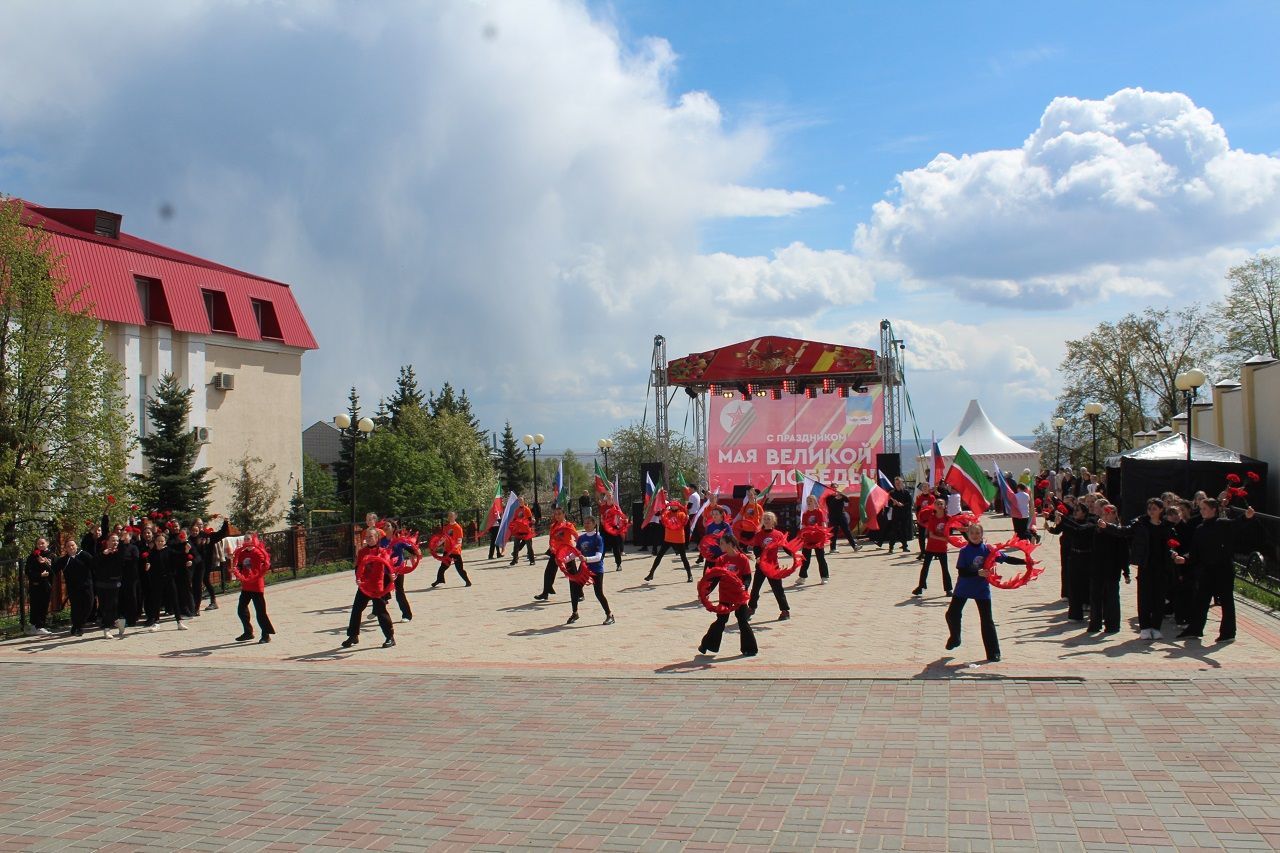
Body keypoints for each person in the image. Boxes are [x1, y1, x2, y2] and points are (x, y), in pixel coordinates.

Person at [1174, 498, 1256, 642]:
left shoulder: (1222, 524)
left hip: (1223, 569)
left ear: (1214, 510)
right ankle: (1195, 629)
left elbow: (1236, 523)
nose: (1202, 511)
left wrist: (1246, 516)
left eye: (1205, 508)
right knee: (1201, 600)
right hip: (1206, 570)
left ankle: (1228, 633)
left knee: (1226, 601)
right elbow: (1194, 552)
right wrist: (1185, 559)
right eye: (1201, 509)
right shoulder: (1200, 529)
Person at [945, 523, 1024, 662]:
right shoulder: (964, 551)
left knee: (987, 620)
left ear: (982, 535)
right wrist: (977, 572)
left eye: (977, 533)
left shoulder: (988, 549)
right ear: (968, 535)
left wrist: (1026, 562)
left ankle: (994, 653)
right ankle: (955, 638)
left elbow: (1006, 559)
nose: (975, 536)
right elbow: (962, 571)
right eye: (972, 533)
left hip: (981, 589)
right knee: (952, 614)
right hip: (964, 587)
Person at [697, 534, 757, 657]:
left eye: (722, 543)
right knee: (721, 620)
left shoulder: (742, 559)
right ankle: (707, 645)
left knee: (742, 621)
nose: (720, 546)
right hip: (725, 595)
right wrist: (706, 592)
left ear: (730, 544)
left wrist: (744, 587)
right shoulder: (721, 559)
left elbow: (747, 577)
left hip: (738, 596)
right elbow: (715, 578)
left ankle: (750, 649)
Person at [342, 528, 395, 648]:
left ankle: (390, 637)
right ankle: (353, 636)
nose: (368, 539)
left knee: (381, 611)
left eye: (371, 537)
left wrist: (392, 576)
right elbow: (358, 568)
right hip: (365, 586)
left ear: (377, 538)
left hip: (377, 586)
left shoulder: (383, 552)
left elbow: (389, 568)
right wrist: (358, 578)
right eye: (367, 537)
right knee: (356, 609)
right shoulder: (362, 552)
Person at [1091, 504, 1132, 634]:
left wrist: (1126, 571)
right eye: (1105, 513)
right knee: (1096, 596)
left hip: (1113, 567)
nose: (1107, 515)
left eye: (1110, 513)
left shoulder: (1119, 530)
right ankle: (1095, 624)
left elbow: (1124, 553)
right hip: (1097, 566)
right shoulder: (1097, 529)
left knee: (1112, 597)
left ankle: (1113, 625)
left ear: (1115, 515)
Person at [568, 517, 613, 625]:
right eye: (585, 523)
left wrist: (587, 559)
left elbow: (599, 556)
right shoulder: (581, 538)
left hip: (596, 569)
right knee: (575, 589)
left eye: (589, 523)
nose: (586, 525)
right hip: (584, 569)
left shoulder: (598, 538)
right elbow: (576, 552)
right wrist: (563, 559)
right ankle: (575, 613)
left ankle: (609, 615)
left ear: (594, 524)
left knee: (598, 593)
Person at [747, 512, 790, 621]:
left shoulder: (778, 534)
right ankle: (751, 608)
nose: (766, 520)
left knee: (778, 589)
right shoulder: (758, 535)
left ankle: (785, 611)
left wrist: (794, 554)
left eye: (769, 519)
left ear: (773, 521)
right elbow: (756, 548)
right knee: (755, 588)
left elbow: (786, 547)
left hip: (773, 566)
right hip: (761, 566)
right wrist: (758, 557)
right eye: (765, 518)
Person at [232, 542, 275, 644]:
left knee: (260, 612)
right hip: (246, 586)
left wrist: (267, 565)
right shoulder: (242, 554)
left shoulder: (258, 553)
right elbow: (239, 566)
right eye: (245, 539)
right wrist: (236, 570)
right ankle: (248, 632)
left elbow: (265, 564)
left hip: (256, 586)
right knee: (241, 610)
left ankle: (266, 635)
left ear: (254, 541)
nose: (247, 541)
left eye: (249, 539)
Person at [143, 532, 187, 631]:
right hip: (157, 580)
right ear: (155, 542)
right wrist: (147, 566)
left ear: (165, 542)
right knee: (156, 600)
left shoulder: (169, 551)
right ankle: (156, 622)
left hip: (169, 578)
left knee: (174, 599)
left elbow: (179, 557)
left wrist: (186, 551)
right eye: (158, 541)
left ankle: (179, 621)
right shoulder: (151, 553)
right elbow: (148, 563)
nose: (160, 543)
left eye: (162, 541)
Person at [534, 508, 577, 601]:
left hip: (567, 552)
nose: (557, 516)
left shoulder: (569, 525)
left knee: (572, 574)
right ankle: (545, 593)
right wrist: (551, 547)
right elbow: (552, 539)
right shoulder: (553, 526)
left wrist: (577, 549)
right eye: (556, 514)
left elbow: (576, 536)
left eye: (559, 514)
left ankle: (579, 593)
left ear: (564, 514)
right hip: (556, 552)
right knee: (549, 572)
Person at [913, 502, 955, 597]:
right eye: (938, 504)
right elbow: (931, 535)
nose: (940, 506)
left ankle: (948, 589)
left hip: (942, 548)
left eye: (942, 504)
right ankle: (921, 587)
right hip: (931, 547)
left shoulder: (948, 518)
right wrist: (944, 538)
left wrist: (965, 527)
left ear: (945, 506)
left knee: (945, 569)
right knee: (925, 567)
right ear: (935, 507)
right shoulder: (932, 518)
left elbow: (953, 528)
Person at [55, 537, 95, 637]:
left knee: (89, 605)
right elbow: (53, 569)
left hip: (87, 586)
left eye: (72, 545)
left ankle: (78, 625)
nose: (71, 547)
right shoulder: (64, 560)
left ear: (76, 546)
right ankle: (78, 627)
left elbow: (95, 564)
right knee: (76, 608)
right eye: (68, 546)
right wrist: (45, 565)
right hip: (73, 588)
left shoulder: (84, 555)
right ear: (65, 549)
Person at [645, 502, 692, 583]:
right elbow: (662, 519)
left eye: (675, 505)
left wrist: (686, 517)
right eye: (672, 504)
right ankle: (651, 573)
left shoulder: (681, 514)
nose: (673, 506)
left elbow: (684, 523)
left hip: (679, 539)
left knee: (683, 558)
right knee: (659, 556)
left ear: (678, 506)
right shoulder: (666, 513)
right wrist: (661, 512)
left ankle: (690, 575)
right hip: (668, 538)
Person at [192, 515, 230, 612]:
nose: (200, 526)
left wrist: (225, 523)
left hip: (205, 563)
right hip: (195, 564)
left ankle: (213, 601)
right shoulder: (192, 536)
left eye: (201, 524)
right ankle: (194, 604)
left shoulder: (207, 535)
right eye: (197, 524)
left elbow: (221, 534)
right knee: (196, 583)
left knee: (205, 581)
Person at [94, 533, 126, 639]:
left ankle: (107, 629)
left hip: (114, 583)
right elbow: (94, 563)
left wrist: (120, 545)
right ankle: (114, 621)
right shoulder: (101, 552)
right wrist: (104, 554)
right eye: (113, 540)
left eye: (117, 540)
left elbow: (122, 562)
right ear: (107, 542)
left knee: (111, 605)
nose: (115, 542)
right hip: (101, 584)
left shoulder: (120, 553)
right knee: (103, 606)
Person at [431, 511, 472, 589]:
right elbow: (444, 538)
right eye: (449, 516)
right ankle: (439, 579)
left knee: (459, 568)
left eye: (451, 516)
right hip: (447, 550)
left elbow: (459, 541)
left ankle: (467, 581)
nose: (450, 517)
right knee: (443, 566)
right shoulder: (446, 527)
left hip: (455, 551)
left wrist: (455, 547)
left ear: (455, 516)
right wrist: (436, 545)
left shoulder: (458, 527)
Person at [24, 538, 54, 636]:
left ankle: (40, 626)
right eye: (38, 544)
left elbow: (54, 571)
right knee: (34, 605)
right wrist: (39, 575)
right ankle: (33, 626)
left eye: (42, 543)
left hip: (46, 585)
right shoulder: (33, 556)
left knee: (43, 605)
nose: (40, 545)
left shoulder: (51, 555)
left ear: (47, 543)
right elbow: (28, 571)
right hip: (35, 584)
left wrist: (47, 564)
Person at [796, 495, 829, 584]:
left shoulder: (819, 512)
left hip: (818, 539)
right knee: (805, 559)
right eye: (807, 501)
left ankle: (824, 576)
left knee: (821, 559)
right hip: (808, 540)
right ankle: (802, 577)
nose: (809, 503)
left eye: (810, 501)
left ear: (815, 502)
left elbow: (823, 524)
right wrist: (802, 535)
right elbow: (803, 526)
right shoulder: (805, 514)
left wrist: (823, 533)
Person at [599, 494, 627, 571]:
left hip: (613, 529)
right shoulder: (603, 507)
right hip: (605, 529)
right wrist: (604, 524)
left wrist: (622, 522)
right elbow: (601, 518)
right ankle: (599, 564)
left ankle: (618, 564)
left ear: (612, 498)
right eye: (607, 496)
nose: (609, 497)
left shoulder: (616, 507)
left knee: (616, 547)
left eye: (610, 496)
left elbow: (621, 516)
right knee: (602, 547)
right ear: (605, 498)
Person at [825, 488, 858, 553]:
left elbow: (847, 500)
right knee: (834, 532)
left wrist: (842, 494)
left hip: (842, 516)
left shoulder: (841, 496)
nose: (834, 489)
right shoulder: (829, 497)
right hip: (833, 517)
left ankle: (854, 546)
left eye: (835, 488)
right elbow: (830, 505)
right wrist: (836, 498)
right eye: (833, 488)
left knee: (847, 531)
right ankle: (833, 549)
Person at [885, 476, 913, 553]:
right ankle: (891, 548)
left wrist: (903, 504)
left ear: (902, 483)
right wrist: (893, 504)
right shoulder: (892, 493)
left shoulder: (906, 492)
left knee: (904, 531)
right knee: (893, 531)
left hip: (904, 515)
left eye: (899, 483)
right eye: (896, 483)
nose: (898, 484)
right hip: (896, 515)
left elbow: (910, 503)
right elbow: (888, 504)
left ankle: (905, 546)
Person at [509, 498, 537, 566]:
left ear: (524, 501)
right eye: (519, 501)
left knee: (529, 546)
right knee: (515, 546)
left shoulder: (527, 509)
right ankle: (515, 560)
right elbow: (515, 519)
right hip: (518, 530)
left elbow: (530, 519)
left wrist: (530, 526)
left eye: (521, 501)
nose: (520, 502)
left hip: (526, 530)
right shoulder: (517, 510)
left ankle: (532, 560)